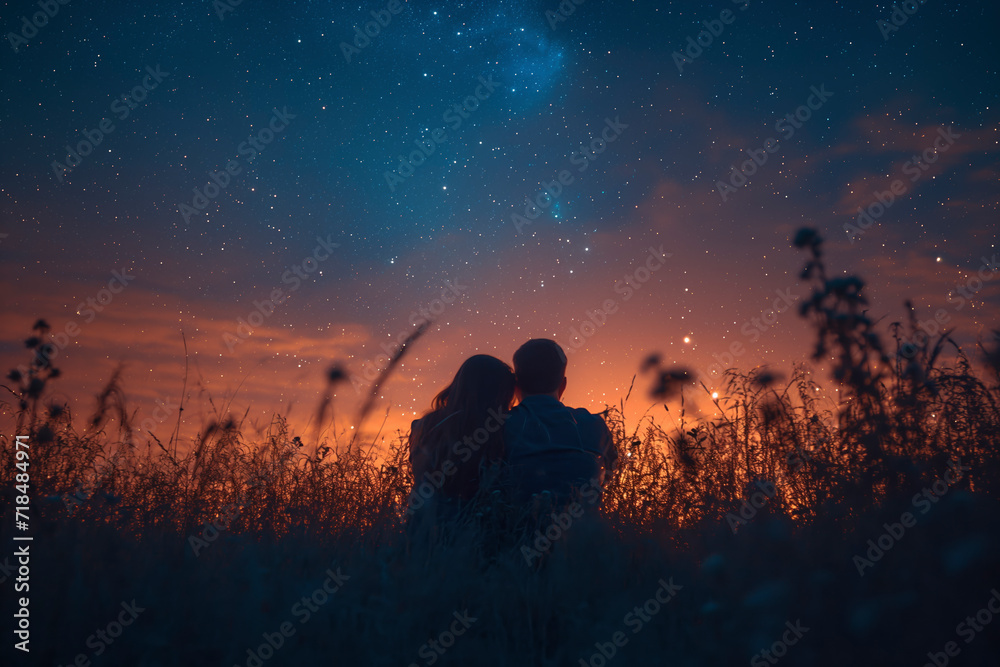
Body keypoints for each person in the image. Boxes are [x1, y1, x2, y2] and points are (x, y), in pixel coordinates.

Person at [504, 339, 618, 505]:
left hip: (516, 527)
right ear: (563, 385)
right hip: (583, 528)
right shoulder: (594, 424)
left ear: (515, 386)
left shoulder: (503, 425)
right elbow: (611, 470)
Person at [406, 354, 515, 528]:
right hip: (474, 532)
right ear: (499, 395)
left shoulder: (423, 427)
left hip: (421, 529)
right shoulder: (497, 431)